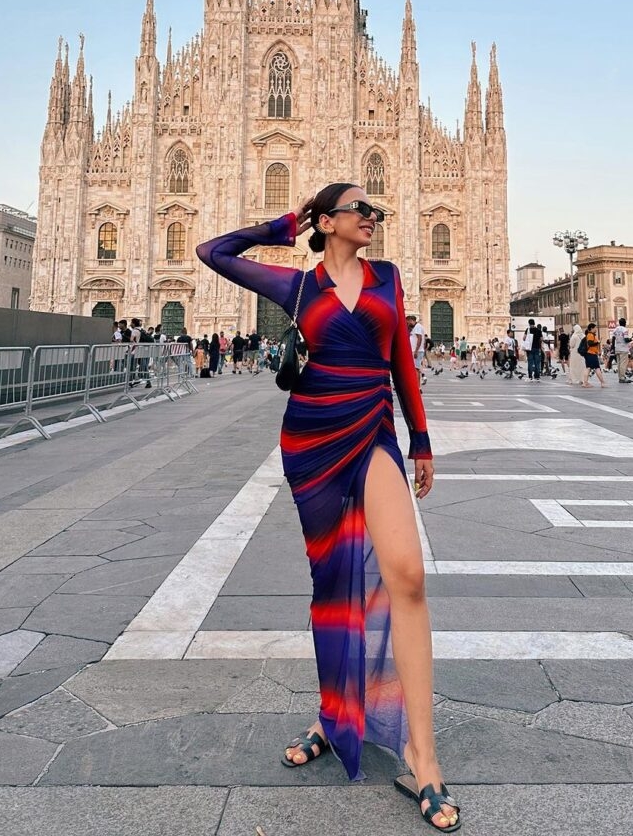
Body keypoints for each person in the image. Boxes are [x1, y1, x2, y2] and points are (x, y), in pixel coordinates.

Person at [196, 183, 459, 831]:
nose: (373, 217)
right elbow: (213, 250)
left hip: (370, 427)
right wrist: (287, 222)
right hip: (311, 437)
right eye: (361, 209)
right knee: (333, 584)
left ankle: (421, 755)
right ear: (328, 220)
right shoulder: (297, 287)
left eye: (376, 209)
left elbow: (400, 359)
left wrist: (419, 438)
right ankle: (332, 713)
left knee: (407, 574)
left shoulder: (388, 277)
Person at [582, 323, 606, 389]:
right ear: (591, 328)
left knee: (588, 368)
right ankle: (602, 382)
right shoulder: (590, 335)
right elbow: (590, 343)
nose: (596, 329)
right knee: (597, 368)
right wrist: (597, 342)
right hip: (591, 353)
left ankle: (585, 383)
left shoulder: (590, 335)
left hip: (589, 354)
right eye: (595, 328)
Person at [407, 314, 427, 388]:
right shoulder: (416, 327)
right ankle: (416, 385)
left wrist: (416, 351)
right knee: (415, 368)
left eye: (408, 322)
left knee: (416, 369)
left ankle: (418, 387)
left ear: (411, 320)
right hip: (416, 350)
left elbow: (420, 338)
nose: (408, 323)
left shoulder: (418, 326)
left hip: (416, 351)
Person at [612, 317, 633, 384]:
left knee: (619, 363)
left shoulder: (615, 329)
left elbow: (613, 338)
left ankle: (620, 377)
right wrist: (632, 339)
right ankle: (622, 378)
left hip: (617, 348)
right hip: (623, 348)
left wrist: (613, 347)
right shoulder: (625, 330)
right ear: (625, 323)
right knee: (623, 364)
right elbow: (626, 340)